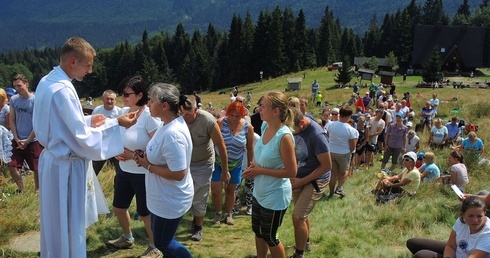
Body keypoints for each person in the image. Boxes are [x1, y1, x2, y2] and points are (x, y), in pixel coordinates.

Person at [32, 37, 138, 258]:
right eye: (88, 65)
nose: (90, 71)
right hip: (66, 166)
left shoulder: (46, 81)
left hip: (52, 159)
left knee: (55, 221)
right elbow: (81, 139)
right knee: (70, 221)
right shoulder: (64, 89)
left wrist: (89, 121)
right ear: (73, 61)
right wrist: (115, 123)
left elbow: (58, 124)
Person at [134, 83, 193, 258]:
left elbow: (178, 173)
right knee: (164, 240)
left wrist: (148, 166)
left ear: (164, 105)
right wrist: (146, 157)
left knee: (162, 242)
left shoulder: (172, 134)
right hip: (163, 196)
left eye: (151, 101)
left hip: (170, 199)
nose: (147, 105)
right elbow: (164, 155)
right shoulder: (166, 125)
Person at [105, 76, 162, 257]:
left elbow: (158, 148)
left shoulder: (149, 118)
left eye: (126, 94)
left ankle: (155, 247)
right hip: (124, 170)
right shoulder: (122, 113)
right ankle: (128, 238)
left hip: (143, 173)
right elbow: (116, 136)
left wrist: (132, 155)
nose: (123, 97)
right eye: (122, 93)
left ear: (139, 95)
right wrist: (116, 151)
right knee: (119, 208)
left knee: (145, 213)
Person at [242, 92, 297, 258]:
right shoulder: (265, 126)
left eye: (263, 106)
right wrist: (254, 167)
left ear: (276, 111)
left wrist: (259, 171)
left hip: (275, 196)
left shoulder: (284, 136)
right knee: (258, 232)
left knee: (270, 236)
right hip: (260, 192)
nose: (259, 108)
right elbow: (264, 156)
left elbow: (292, 172)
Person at [180, 95, 228, 241]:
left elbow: (221, 146)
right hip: (184, 164)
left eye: (188, 114)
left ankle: (198, 228)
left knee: (200, 196)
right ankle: (194, 218)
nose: (185, 117)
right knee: (185, 195)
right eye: (182, 113)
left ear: (196, 110)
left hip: (203, 164)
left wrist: (225, 171)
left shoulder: (207, 121)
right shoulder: (178, 119)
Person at [289, 108, 331, 258]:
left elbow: (327, 165)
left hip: (315, 179)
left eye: (291, 128)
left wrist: (302, 181)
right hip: (299, 177)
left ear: (301, 123)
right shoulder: (298, 123)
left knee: (298, 216)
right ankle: (304, 242)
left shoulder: (317, 135)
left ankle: (299, 254)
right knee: (302, 214)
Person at [211, 100, 254, 225]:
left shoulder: (247, 127)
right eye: (231, 115)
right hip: (218, 162)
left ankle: (228, 213)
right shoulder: (220, 123)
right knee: (215, 189)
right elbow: (213, 142)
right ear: (227, 113)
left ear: (242, 116)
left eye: (237, 116)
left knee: (231, 190)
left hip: (235, 164)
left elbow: (250, 147)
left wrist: (251, 164)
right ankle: (218, 212)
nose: (234, 119)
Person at [406, 196, 490, 257]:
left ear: (484, 214)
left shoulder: (488, 233)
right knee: (413, 243)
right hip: (457, 252)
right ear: (463, 214)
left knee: (421, 255)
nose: (475, 220)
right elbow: (450, 246)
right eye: (470, 216)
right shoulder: (461, 221)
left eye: (479, 216)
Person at [8, 74, 42, 193]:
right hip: (17, 138)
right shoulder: (13, 100)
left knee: (36, 167)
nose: (17, 88)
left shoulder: (35, 100)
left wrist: (27, 140)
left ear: (26, 84)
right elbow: (12, 119)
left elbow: (37, 122)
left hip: (32, 139)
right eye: (15, 86)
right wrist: (16, 138)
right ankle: (21, 189)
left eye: (19, 85)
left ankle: (37, 189)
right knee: (12, 165)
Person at [325, 106, 358, 198]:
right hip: (343, 153)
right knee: (344, 171)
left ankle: (331, 192)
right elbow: (353, 146)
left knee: (333, 174)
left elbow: (327, 137)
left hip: (331, 151)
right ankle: (339, 187)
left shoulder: (331, 125)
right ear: (349, 116)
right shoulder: (351, 130)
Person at [91, 90, 122, 176]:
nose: (109, 101)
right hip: (101, 145)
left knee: (119, 172)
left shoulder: (120, 112)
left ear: (115, 100)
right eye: (107, 99)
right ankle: (90, 188)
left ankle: (117, 189)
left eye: (112, 99)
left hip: (115, 146)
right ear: (102, 99)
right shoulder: (97, 110)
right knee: (93, 170)